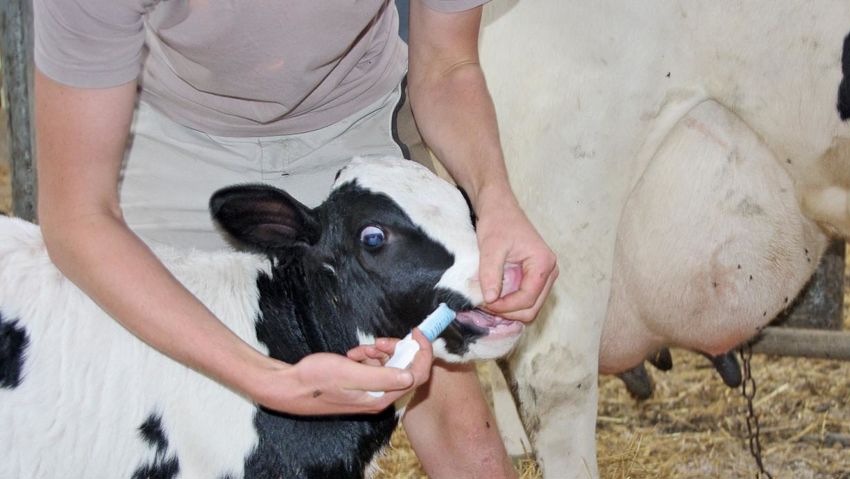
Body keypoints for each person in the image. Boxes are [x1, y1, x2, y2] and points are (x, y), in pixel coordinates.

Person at [32, 0, 558, 476]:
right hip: (178, 132)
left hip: (352, 127)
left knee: (462, 432)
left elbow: (447, 65)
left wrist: (495, 199)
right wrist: (270, 381)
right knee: (142, 405)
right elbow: (79, 219)